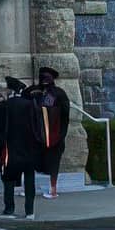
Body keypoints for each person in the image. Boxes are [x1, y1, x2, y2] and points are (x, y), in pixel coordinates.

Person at [0, 76, 46, 217]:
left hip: (11, 149)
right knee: (29, 180)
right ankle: (29, 212)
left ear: (10, 91)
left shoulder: (5, 105)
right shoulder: (30, 105)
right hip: (28, 149)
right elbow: (37, 128)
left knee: (9, 180)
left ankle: (9, 209)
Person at [35, 66, 71, 198]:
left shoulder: (58, 93)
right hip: (39, 134)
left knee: (54, 162)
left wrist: (61, 133)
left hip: (55, 134)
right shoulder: (37, 93)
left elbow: (65, 114)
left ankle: (53, 189)